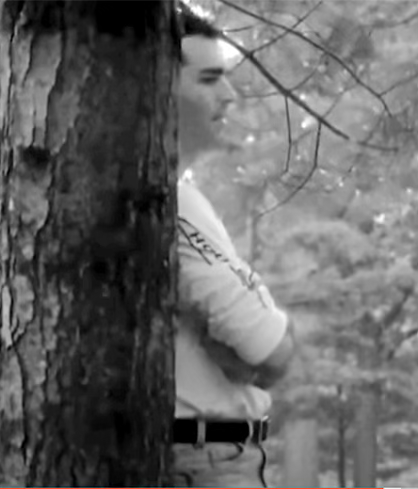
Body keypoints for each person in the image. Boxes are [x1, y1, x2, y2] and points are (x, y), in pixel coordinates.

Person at [170, 4, 296, 487]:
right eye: (208, 79)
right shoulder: (171, 204)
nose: (230, 94)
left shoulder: (182, 197)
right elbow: (270, 352)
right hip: (206, 465)